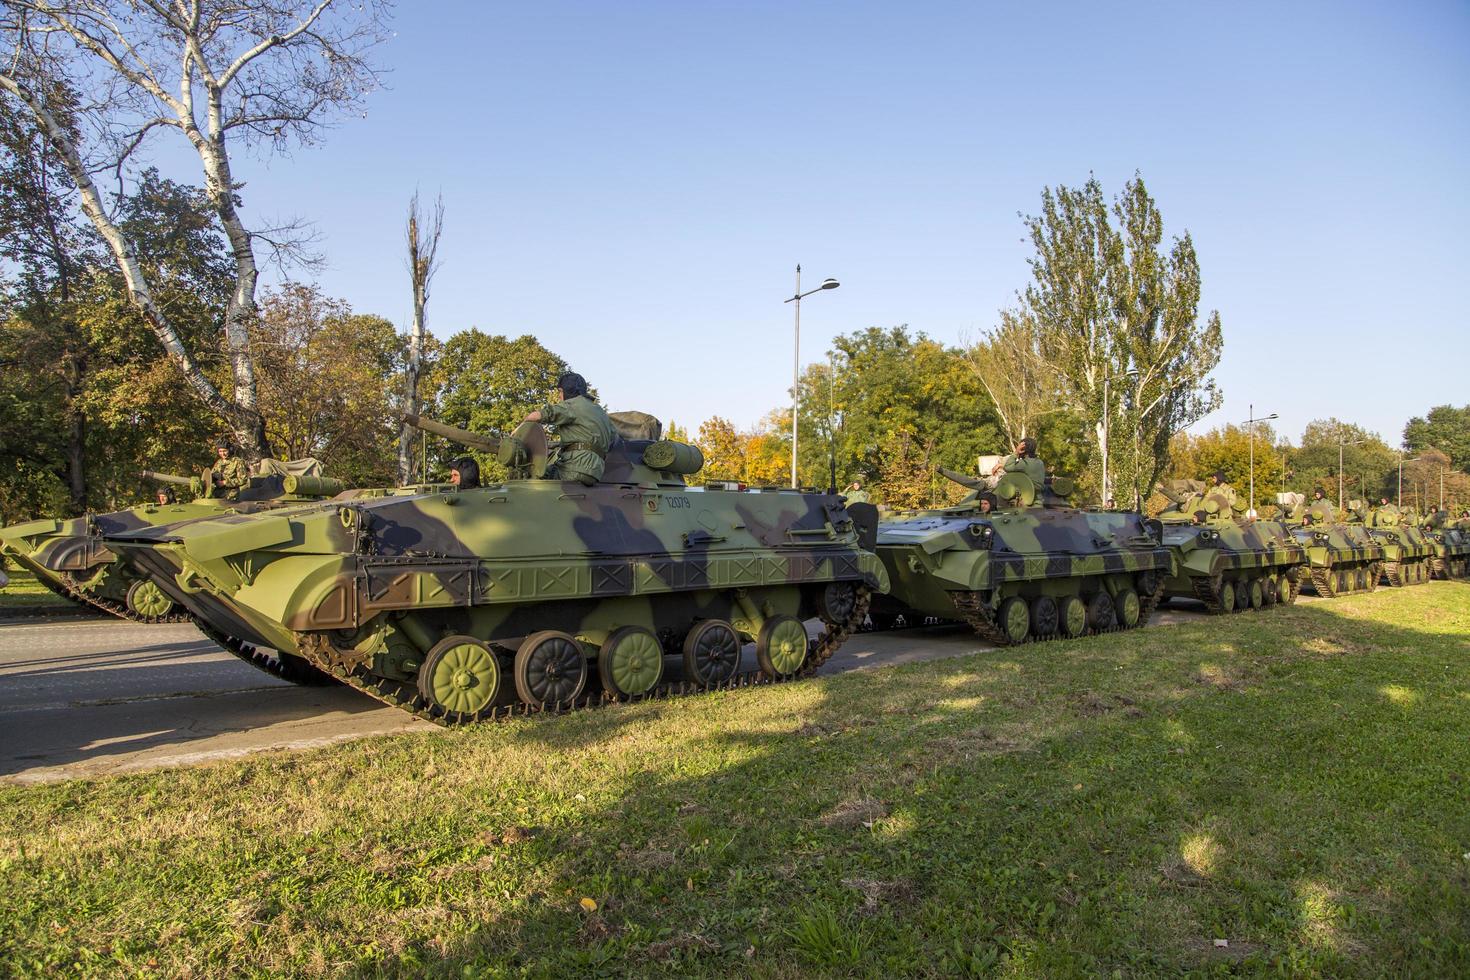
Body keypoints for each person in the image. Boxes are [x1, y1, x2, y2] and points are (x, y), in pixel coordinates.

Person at [524, 372, 616, 486]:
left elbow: (539, 416)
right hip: (595, 472)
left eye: (560, 392)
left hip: (574, 468)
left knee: (531, 476)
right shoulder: (600, 411)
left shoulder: (572, 405)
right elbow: (613, 437)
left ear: (566, 391)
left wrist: (519, 429)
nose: (559, 396)